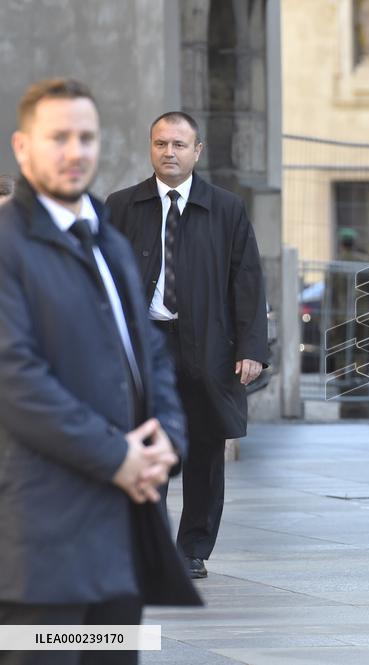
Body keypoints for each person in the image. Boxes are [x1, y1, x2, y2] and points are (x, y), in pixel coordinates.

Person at [0, 78, 196, 665]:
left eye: (86, 137)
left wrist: (169, 439)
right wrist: (119, 457)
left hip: (121, 531)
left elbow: (150, 353)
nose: (74, 150)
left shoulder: (106, 238)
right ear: (22, 147)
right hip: (45, 535)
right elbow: (16, 379)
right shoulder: (7, 246)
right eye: (57, 137)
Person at [107, 111, 268, 580]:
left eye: (179, 145)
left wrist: (252, 346)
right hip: (144, 345)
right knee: (143, 443)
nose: (169, 153)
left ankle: (193, 548)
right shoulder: (121, 206)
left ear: (197, 151)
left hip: (210, 345)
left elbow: (248, 281)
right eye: (160, 144)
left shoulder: (226, 209)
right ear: (150, 148)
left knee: (204, 446)